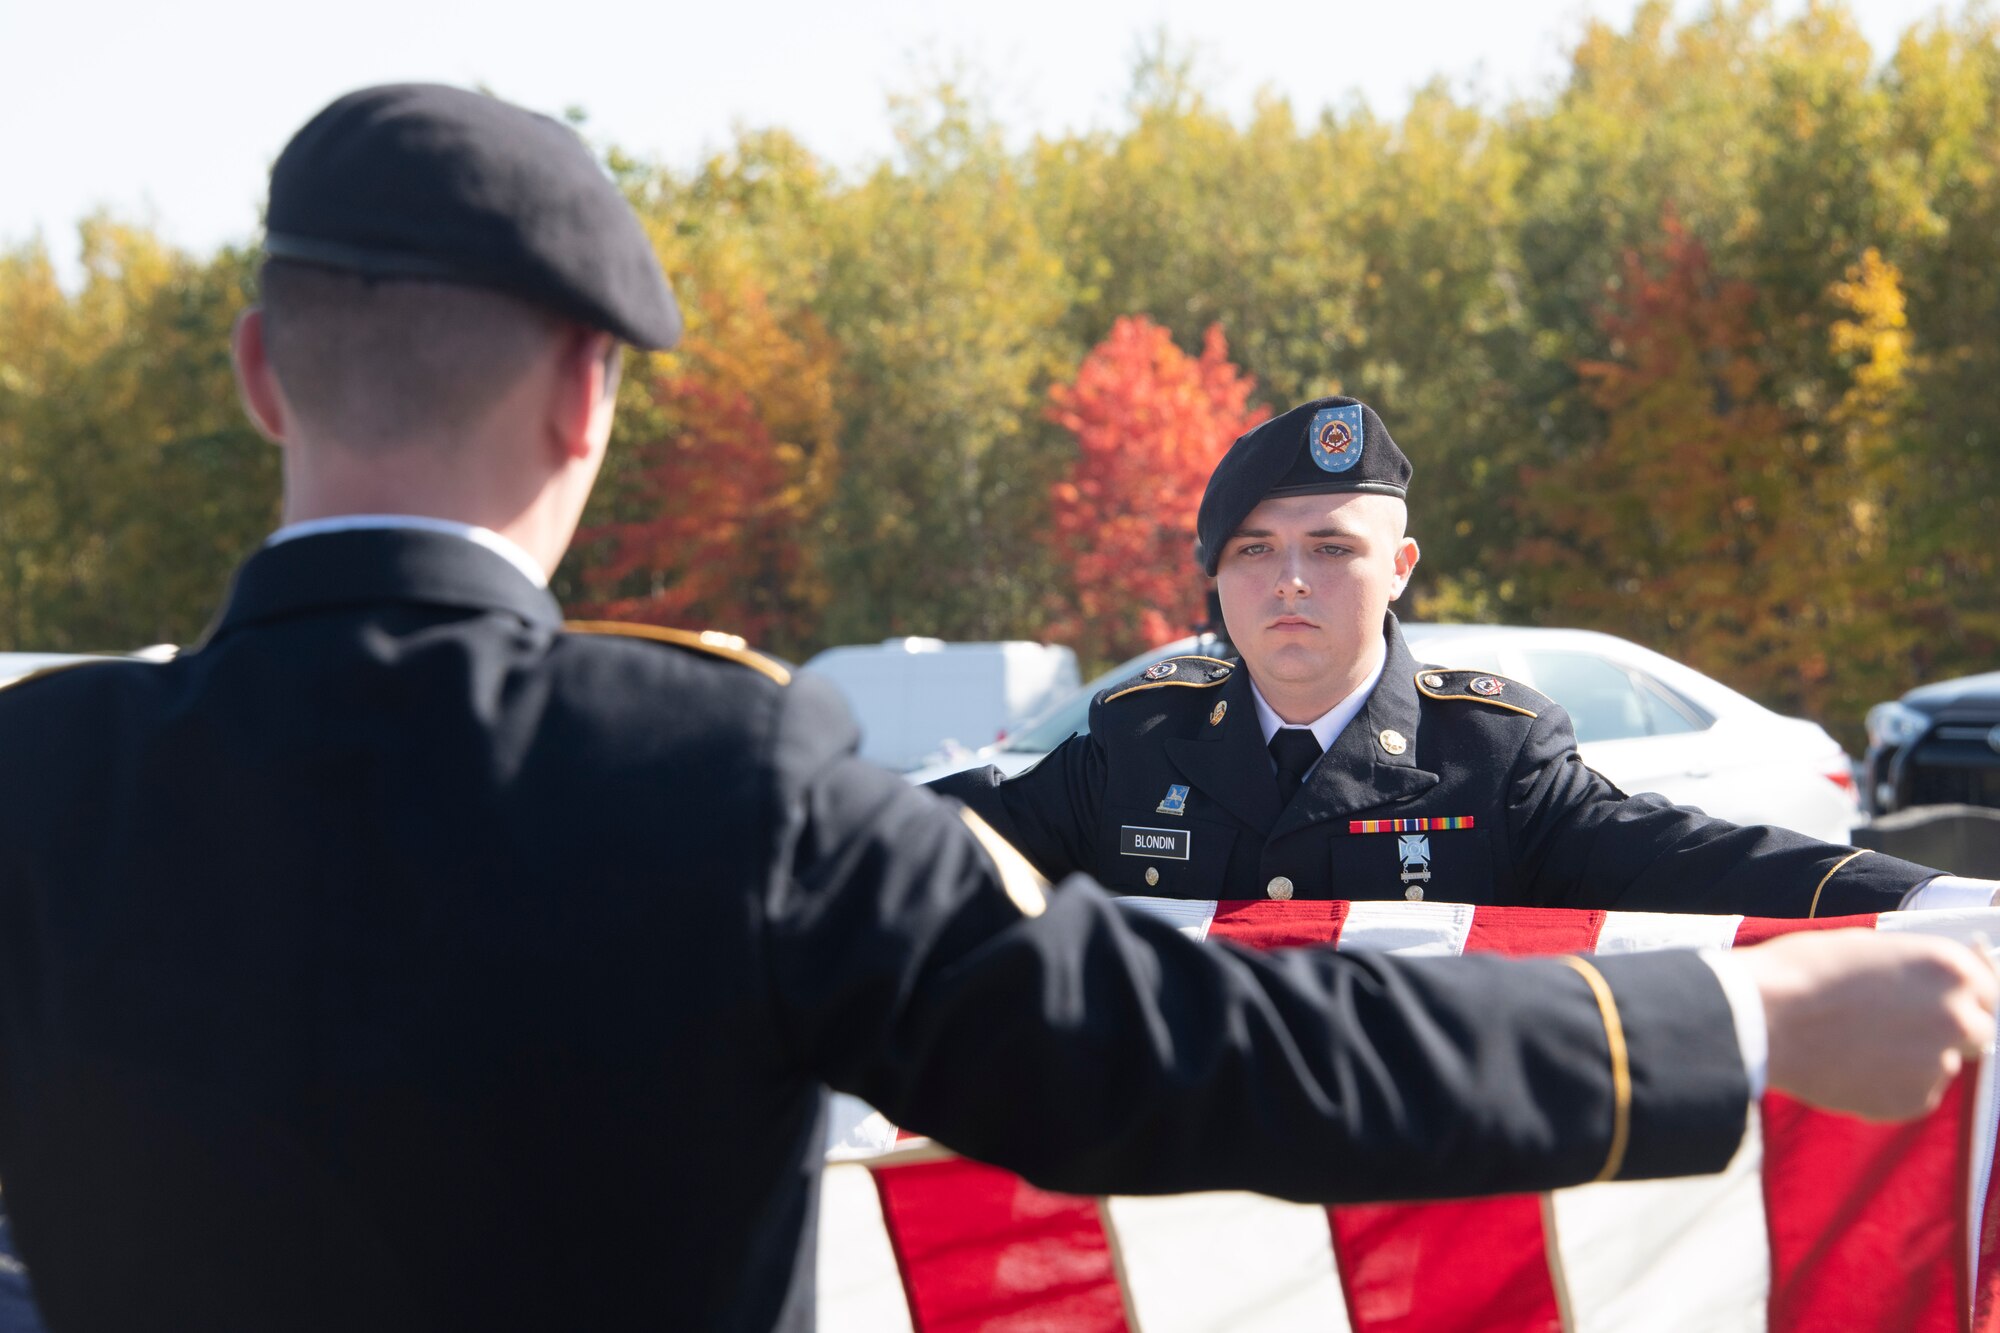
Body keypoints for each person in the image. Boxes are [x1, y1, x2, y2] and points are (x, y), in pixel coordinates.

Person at [0, 84, 1988, 1333]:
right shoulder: (722, 785)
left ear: (260, 371)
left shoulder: (31, 786)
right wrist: (1741, 1020)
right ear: (590, 393)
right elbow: (1200, 1057)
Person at [932, 398, 2000, 914]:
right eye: (1253, 550)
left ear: (1397, 566)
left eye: (1329, 549)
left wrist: (1933, 904)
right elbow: (952, 833)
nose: (1289, 581)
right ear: (1213, 575)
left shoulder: (1490, 758)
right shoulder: (1139, 740)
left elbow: (1687, 858)